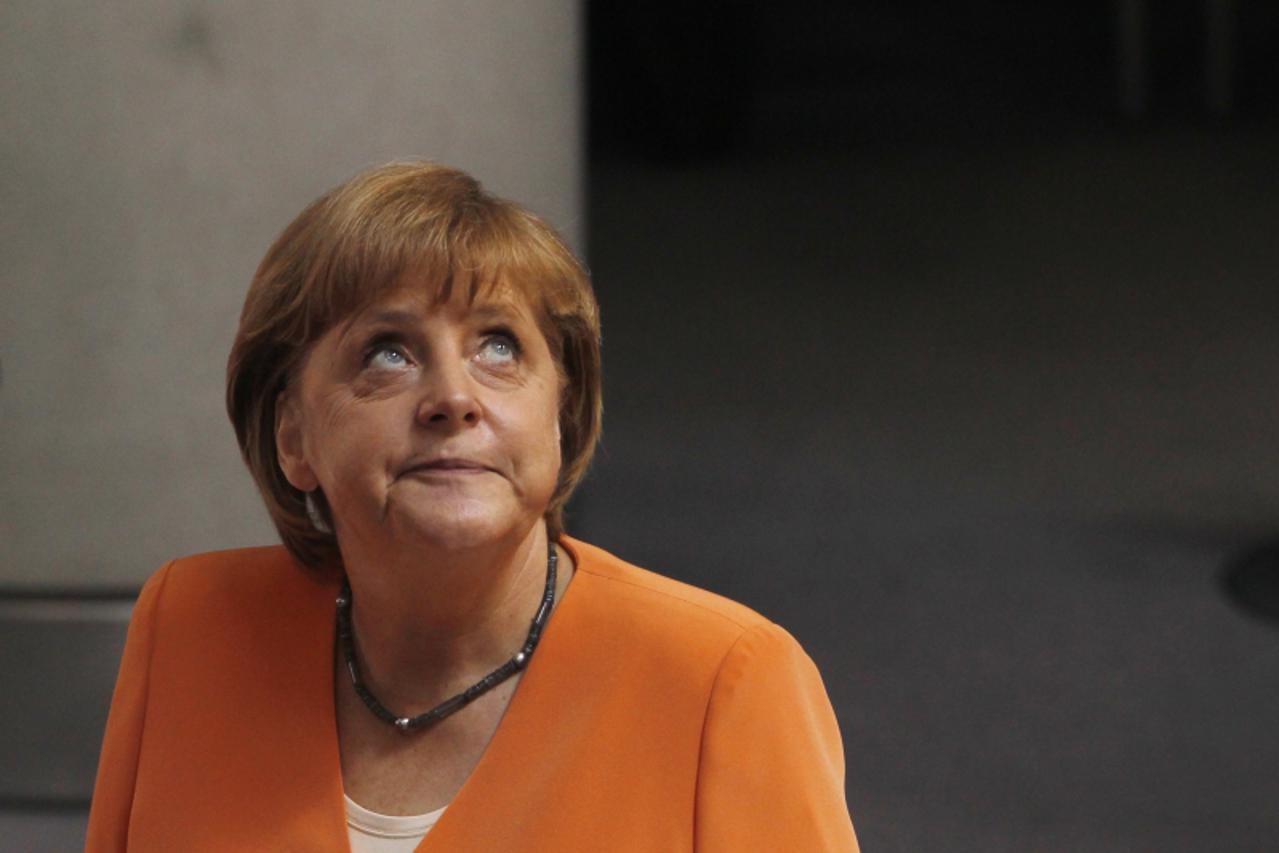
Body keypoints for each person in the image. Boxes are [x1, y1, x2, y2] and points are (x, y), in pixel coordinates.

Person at [85, 162, 859, 851]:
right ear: (293, 435)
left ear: (560, 413)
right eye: (388, 352)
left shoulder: (722, 681)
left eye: (498, 346)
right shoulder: (188, 627)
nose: (453, 398)